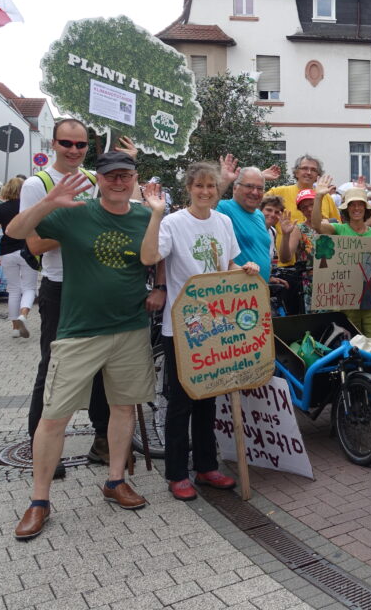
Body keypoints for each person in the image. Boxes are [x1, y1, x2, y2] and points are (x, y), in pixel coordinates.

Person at [8, 152, 157, 540]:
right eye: (111, 176)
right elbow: (15, 231)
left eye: (125, 175)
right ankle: (39, 501)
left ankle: (114, 480)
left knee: (122, 408)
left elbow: (159, 261)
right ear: (100, 180)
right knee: (54, 416)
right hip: (79, 332)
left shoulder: (145, 217)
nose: (118, 182)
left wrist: (157, 287)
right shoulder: (75, 214)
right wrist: (47, 201)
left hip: (130, 328)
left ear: (135, 179)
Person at [140, 163, 257, 501]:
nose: (205, 192)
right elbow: (149, 255)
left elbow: (229, 264)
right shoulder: (174, 223)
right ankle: (177, 473)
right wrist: (156, 214)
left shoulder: (224, 222)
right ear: (189, 188)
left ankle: (206, 467)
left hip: (217, 325)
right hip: (182, 328)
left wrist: (243, 268)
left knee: (209, 399)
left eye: (211, 186)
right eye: (199, 186)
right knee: (181, 402)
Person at [22, 119, 112, 475]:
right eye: (66, 143)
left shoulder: (94, 181)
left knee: (104, 369)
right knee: (54, 369)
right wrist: (81, 225)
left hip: (98, 286)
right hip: (60, 287)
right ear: (53, 144)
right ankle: (41, 450)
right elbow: (34, 243)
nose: (73, 150)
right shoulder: (37, 184)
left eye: (81, 145)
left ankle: (103, 442)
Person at [312, 183, 371, 344]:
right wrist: (318, 197)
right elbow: (317, 225)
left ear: (366, 208)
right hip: (347, 298)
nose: (356, 208)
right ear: (346, 208)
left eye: (360, 204)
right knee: (352, 346)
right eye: (352, 204)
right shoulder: (338, 230)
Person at [265, 154, 339, 266]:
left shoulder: (326, 197)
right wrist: (260, 178)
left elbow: (338, 228)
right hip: (287, 264)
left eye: (313, 170)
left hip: (323, 267)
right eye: (304, 168)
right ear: (296, 172)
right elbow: (253, 204)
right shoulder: (280, 192)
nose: (309, 172)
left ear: (318, 175)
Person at [0, 176, 38, 339]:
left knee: (13, 289)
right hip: (28, 251)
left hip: (6, 252)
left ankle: (14, 328)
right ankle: (23, 315)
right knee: (29, 288)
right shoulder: (30, 207)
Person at [217, 160, 272, 282]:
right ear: (235, 188)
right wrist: (223, 181)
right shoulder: (222, 208)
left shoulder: (259, 215)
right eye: (249, 186)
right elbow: (205, 207)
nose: (255, 192)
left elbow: (259, 251)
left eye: (259, 188)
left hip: (260, 290)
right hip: (236, 291)